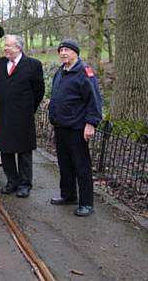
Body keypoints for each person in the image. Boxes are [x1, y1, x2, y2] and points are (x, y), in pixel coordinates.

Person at [48, 39, 103, 217]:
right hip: (61, 126)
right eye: (61, 50)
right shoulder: (61, 72)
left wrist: (91, 124)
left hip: (77, 128)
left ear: (76, 53)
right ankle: (68, 195)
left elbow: (94, 100)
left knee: (81, 166)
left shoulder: (84, 73)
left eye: (68, 50)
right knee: (65, 164)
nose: (63, 53)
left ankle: (86, 203)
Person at [0, 35, 45, 198]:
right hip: (4, 114)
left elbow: (39, 91)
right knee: (5, 150)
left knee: (24, 152)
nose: (5, 49)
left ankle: (24, 184)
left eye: (9, 46)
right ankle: (11, 181)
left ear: (19, 48)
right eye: (5, 46)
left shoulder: (33, 65)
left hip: (23, 115)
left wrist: (29, 108)